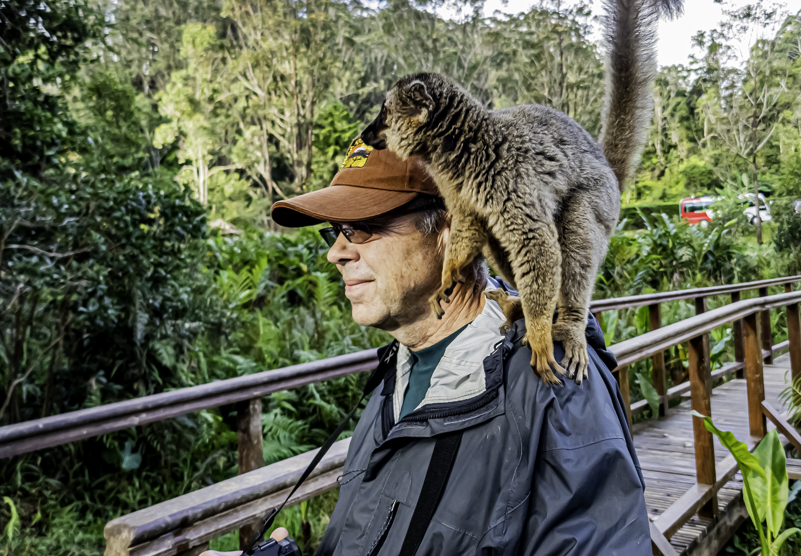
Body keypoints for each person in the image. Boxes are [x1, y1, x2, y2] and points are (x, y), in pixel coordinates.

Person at [203, 141, 651, 556]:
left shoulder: (554, 383)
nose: (335, 253)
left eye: (362, 228)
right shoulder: (395, 376)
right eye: (336, 231)